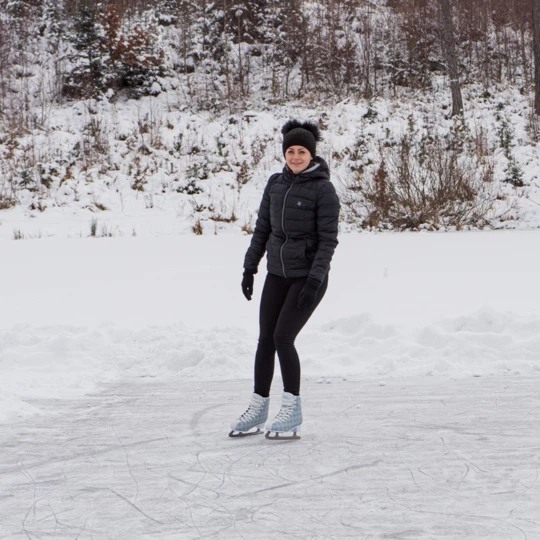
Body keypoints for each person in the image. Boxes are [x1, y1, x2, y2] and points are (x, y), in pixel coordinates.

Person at [229, 119, 340, 440]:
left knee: (282, 338)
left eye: (301, 151)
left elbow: (328, 241)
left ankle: (292, 409)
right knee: (265, 339)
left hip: (307, 277)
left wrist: (314, 281)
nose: (295, 156)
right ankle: (258, 406)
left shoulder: (323, 189)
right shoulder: (275, 184)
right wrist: (250, 268)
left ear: (312, 154)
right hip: (277, 274)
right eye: (290, 151)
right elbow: (263, 228)